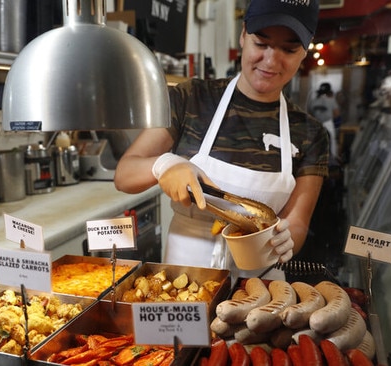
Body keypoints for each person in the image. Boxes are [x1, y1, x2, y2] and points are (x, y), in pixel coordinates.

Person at [114, 0, 329, 279]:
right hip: (184, 282)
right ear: (243, 35)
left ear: (306, 50)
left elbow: (297, 221)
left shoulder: (310, 133)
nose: (271, 60)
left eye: (289, 49)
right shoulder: (192, 98)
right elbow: (124, 174)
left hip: (260, 289)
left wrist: (287, 238)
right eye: (261, 43)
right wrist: (165, 164)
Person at [309, 82, 340, 165]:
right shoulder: (331, 100)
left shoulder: (314, 101)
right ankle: (332, 159)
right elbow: (336, 113)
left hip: (316, 123)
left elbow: (310, 113)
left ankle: (316, 160)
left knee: (315, 141)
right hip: (327, 122)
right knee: (332, 140)